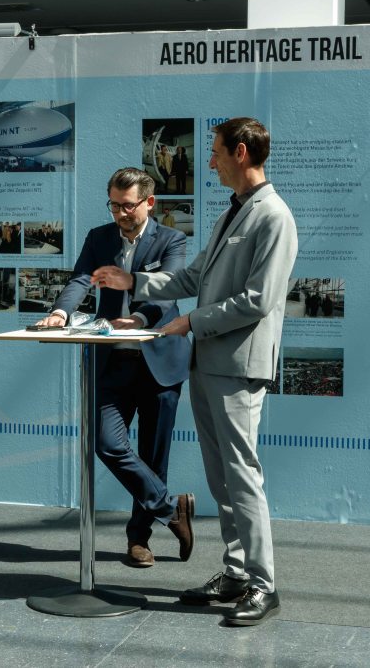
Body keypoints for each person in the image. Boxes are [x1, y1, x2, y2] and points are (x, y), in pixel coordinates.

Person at [93, 118, 298, 625]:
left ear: (241, 153)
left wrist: (191, 321)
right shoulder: (234, 212)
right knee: (221, 478)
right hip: (210, 363)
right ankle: (236, 571)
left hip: (238, 366)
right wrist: (133, 280)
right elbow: (192, 276)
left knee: (242, 476)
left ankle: (264, 585)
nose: (209, 162)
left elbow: (258, 300)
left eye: (216, 152)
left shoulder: (273, 216)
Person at [36, 167, 194, 568]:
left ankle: (139, 540)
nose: (121, 214)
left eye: (128, 206)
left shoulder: (172, 240)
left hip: (160, 361)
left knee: (153, 457)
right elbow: (80, 280)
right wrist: (60, 312)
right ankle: (170, 508)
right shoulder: (99, 238)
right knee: (107, 443)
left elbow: (168, 288)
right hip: (112, 362)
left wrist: (139, 320)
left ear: (149, 203)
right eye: (114, 206)